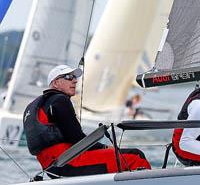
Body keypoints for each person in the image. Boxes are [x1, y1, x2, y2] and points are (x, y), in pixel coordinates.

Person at [23, 65, 151, 177]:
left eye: (74, 77)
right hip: (69, 162)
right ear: (55, 83)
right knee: (135, 156)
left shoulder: (35, 106)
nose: (74, 80)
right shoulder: (60, 100)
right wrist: (105, 147)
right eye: (68, 77)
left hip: (51, 167)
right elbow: (76, 138)